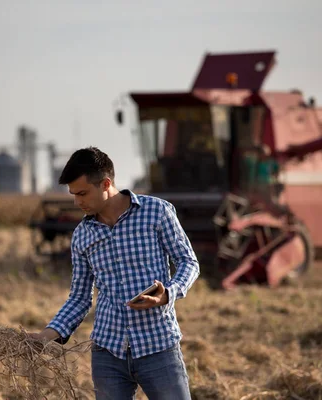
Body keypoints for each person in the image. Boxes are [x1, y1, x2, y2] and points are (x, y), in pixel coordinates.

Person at [29, 146, 200, 400]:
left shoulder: (157, 212)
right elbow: (79, 298)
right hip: (108, 354)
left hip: (158, 346)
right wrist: (47, 335)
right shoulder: (82, 235)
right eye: (74, 195)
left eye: (83, 193)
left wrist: (168, 294)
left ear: (106, 183)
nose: (78, 202)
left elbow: (188, 262)